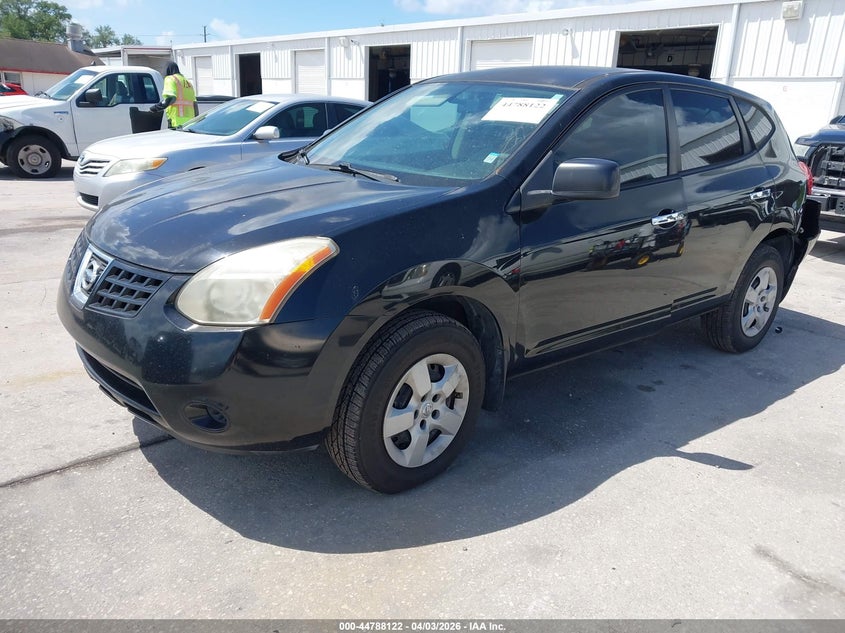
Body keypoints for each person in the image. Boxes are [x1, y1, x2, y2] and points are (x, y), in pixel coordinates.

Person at [151, 62, 197, 128]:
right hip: (189, 122)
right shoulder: (187, 82)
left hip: (176, 120)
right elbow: (194, 103)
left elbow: (171, 99)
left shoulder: (170, 79)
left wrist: (156, 107)